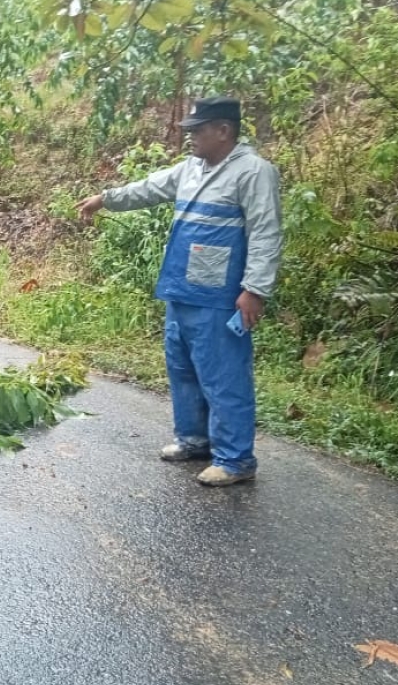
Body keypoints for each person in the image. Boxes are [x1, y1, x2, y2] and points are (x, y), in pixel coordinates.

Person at [76, 97, 283, 487]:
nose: (189, 137)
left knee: (223, 376)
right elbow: (149, 188)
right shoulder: (191, 168)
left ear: (223, 131)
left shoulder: (253, 172)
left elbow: (265, 233)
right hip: (182, 289)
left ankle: (236, 459)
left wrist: (255, 289)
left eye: (197, 130)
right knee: (183, 368)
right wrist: (106, 199)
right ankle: (194, 440)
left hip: (221, 297)